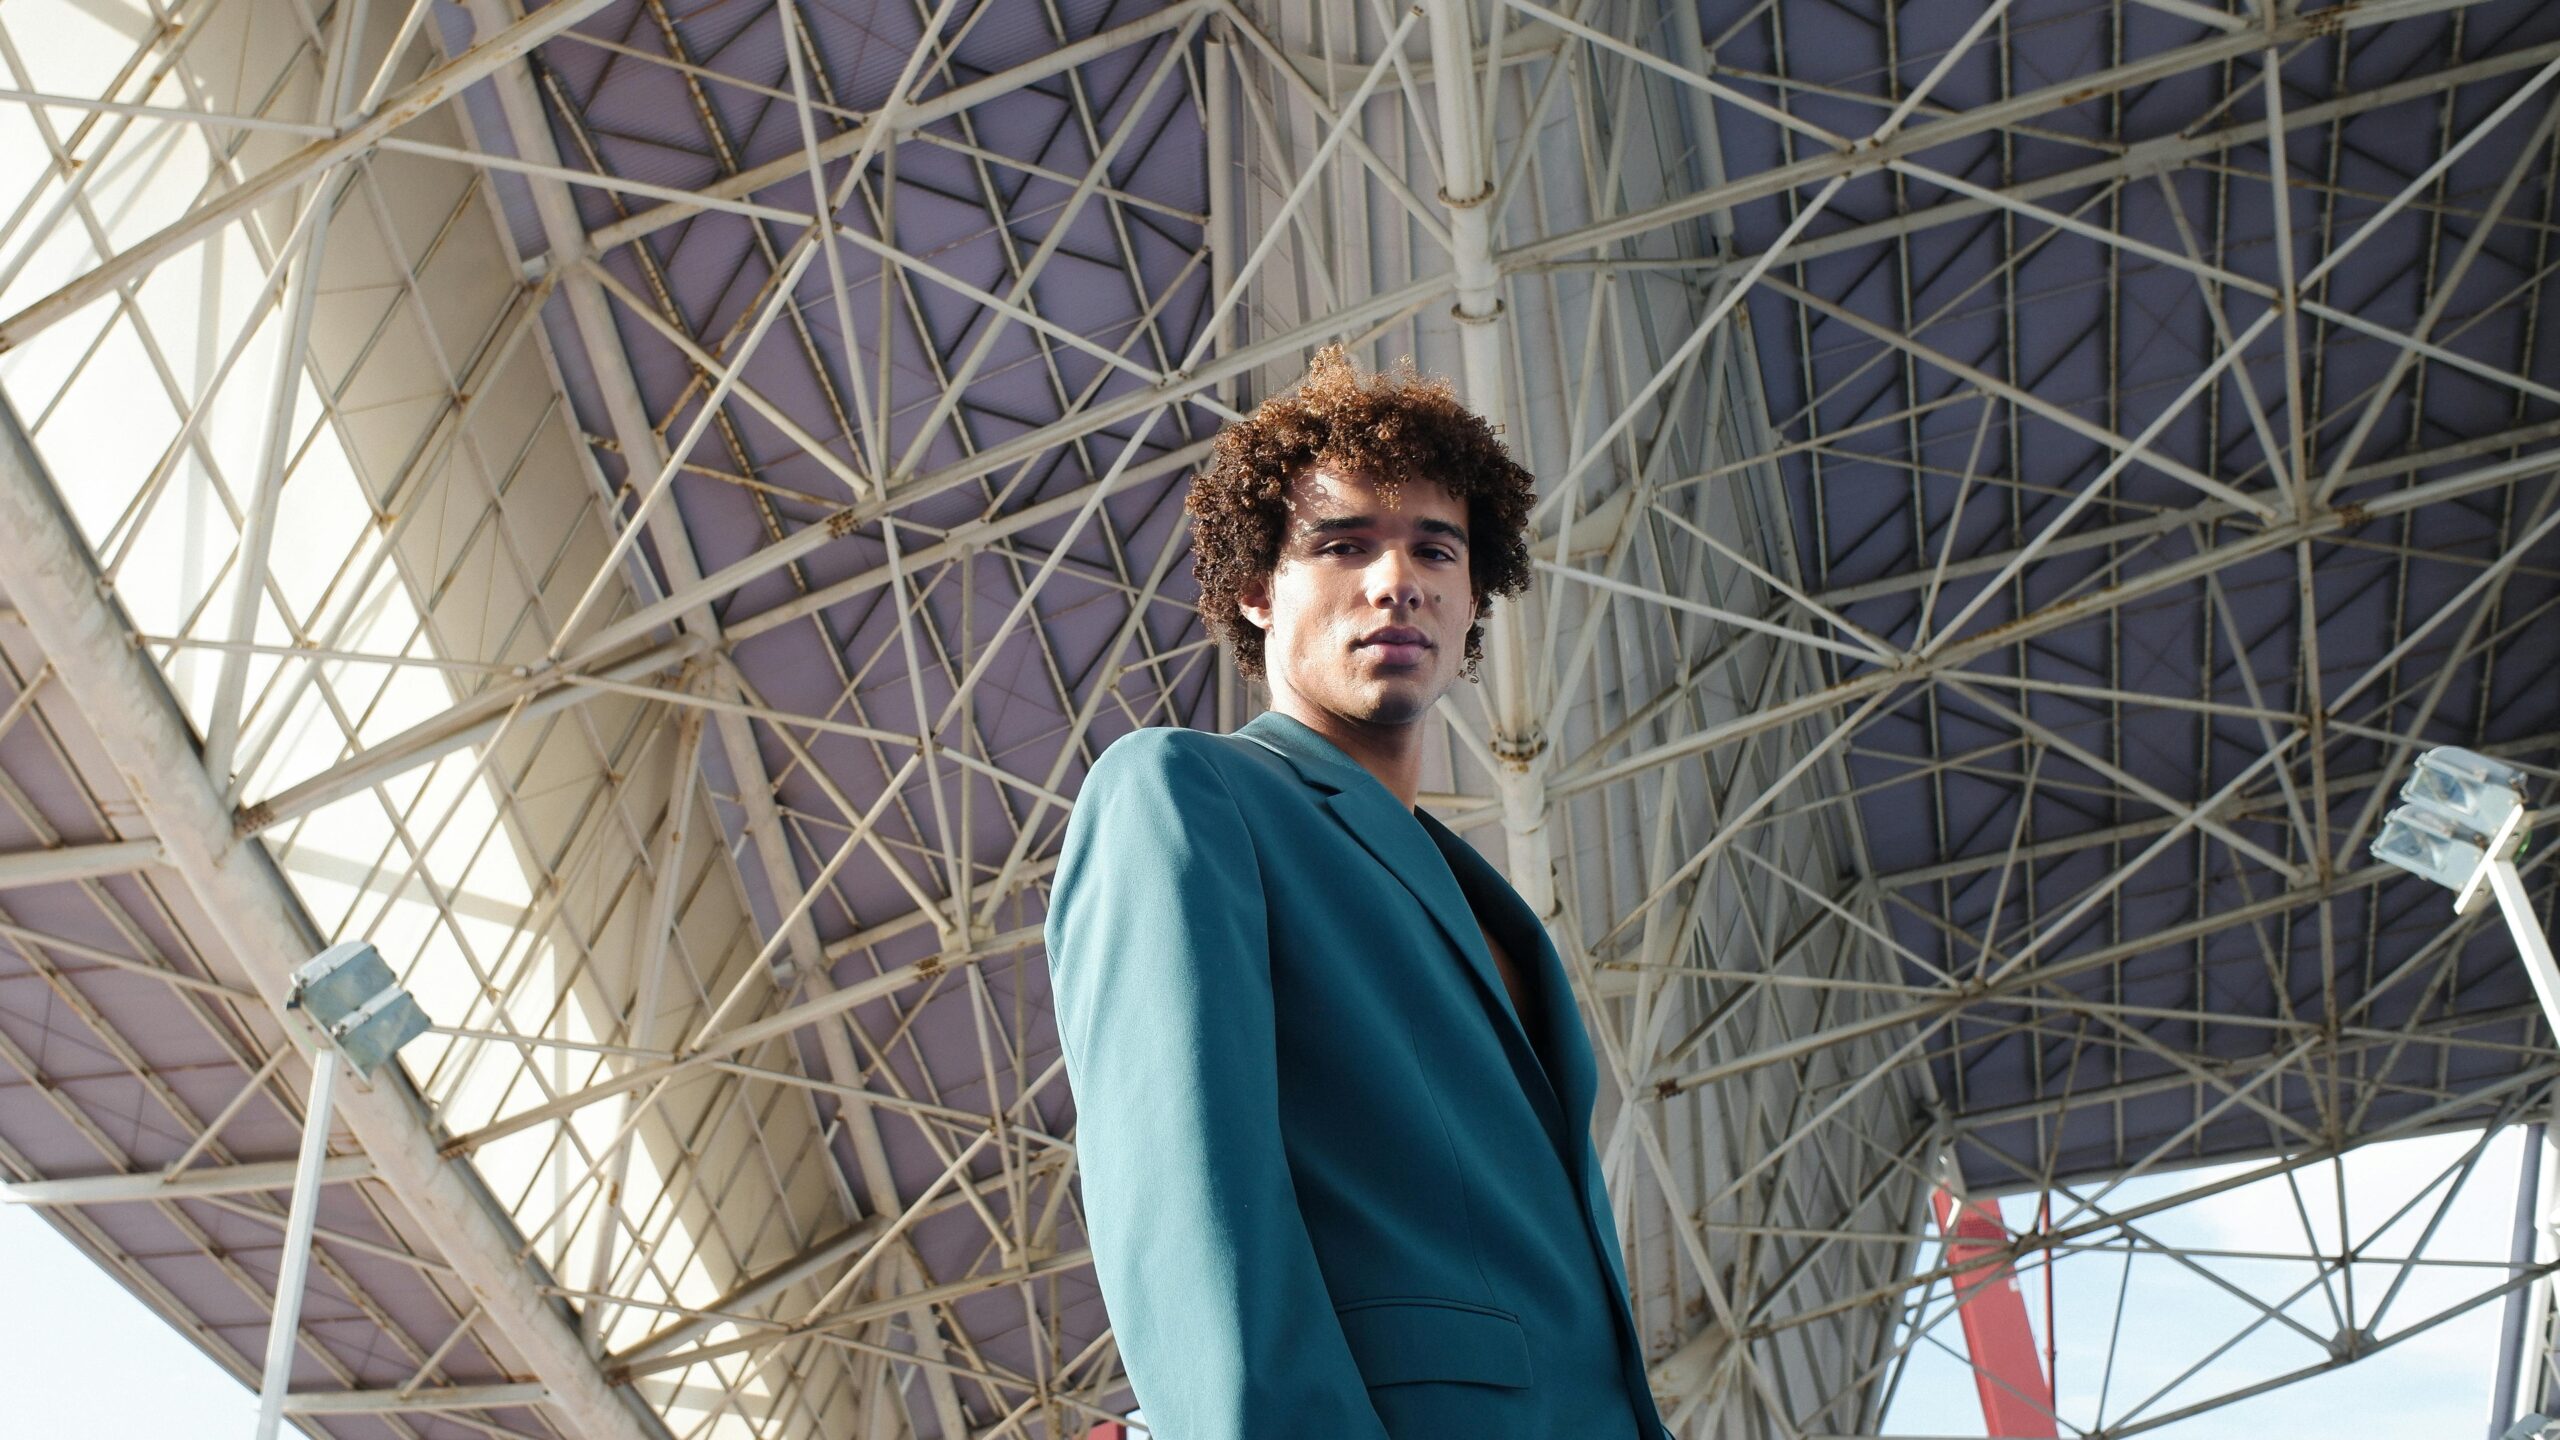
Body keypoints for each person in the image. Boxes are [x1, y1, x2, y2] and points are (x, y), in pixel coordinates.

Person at [1043, 347, 1671, 1440]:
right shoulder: (1186, 795)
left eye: (1436, 547)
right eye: (1342, 546)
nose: (1397, 579)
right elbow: (1190, 1220)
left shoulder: (1492, 912)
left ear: (1472, 595)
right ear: (1255, 588)